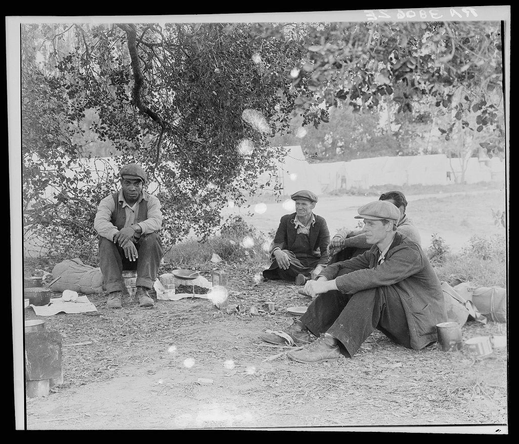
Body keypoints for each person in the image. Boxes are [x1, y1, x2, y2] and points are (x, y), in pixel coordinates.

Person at [260, 200, 447, 363]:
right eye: (365, 223)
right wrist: (322, 279)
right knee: (347, 278)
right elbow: (344, 265)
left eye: (371, 224)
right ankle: (303, 329)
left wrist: (326, 286)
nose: (365, 228)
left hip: (421, 326)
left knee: (370, 287)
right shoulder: (378, 248)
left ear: (389, 225)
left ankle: (332, 343)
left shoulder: (409, 251)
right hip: (404, 314)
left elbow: (374, 277)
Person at [94, 163, 164, 308]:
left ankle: (143, 291)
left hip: (142, 256)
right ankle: (114, 292)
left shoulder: (151, 201)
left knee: (153, 238)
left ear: (143, 184)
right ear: (121, 183)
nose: (132, 188)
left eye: (136, 183)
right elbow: (100, 223)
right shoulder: (109, 201)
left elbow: (156, 221)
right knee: (105, 241)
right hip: (117, 256)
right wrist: (122, 239)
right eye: (128, 183)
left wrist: (134, 229)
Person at [328, 190, 421, 263]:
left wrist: (343, 243)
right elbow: (354, 233)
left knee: (355, 249)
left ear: (400, 210)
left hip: (399, 275)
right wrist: (339, 237)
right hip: (383, 264)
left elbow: (367, 239)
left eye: (385, 209)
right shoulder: (386, 223)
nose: (380, 212)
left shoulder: (407, 229)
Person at [262, 190, 330, 285]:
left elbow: (326, 250)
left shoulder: (320, 222)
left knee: (330, 264)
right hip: (292, 261)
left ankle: (306, 277)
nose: (299, 207)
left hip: (312, 260)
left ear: (312, 206)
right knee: (283, 258)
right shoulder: (286, 220)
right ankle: (310, 277)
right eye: (297, 204)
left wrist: (319, 268)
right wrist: (277, 251)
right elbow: (277, 242)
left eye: (304, 204)